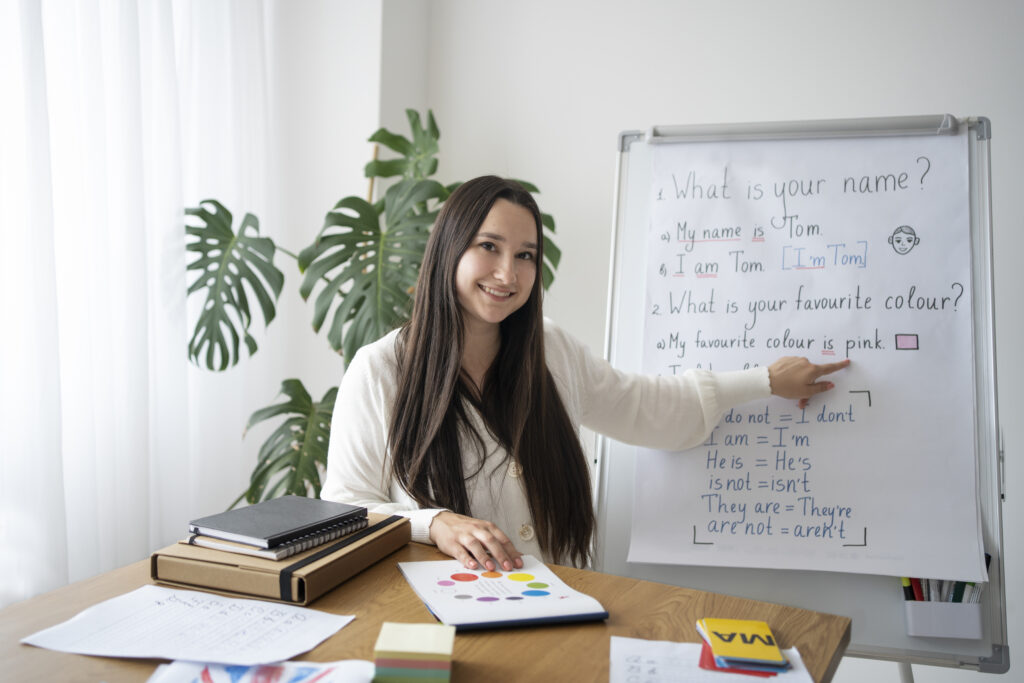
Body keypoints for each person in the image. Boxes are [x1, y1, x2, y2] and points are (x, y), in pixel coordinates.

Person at [321, 176, 849, 573]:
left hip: (557, 607)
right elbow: (344, 506)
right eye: (489, 247)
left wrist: (763, 381)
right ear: (448, 250)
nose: (509, 273)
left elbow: (652, 409)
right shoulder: (380, 370)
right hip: (437, 620)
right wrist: (433, 521)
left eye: (525, 255)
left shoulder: (551, 352)